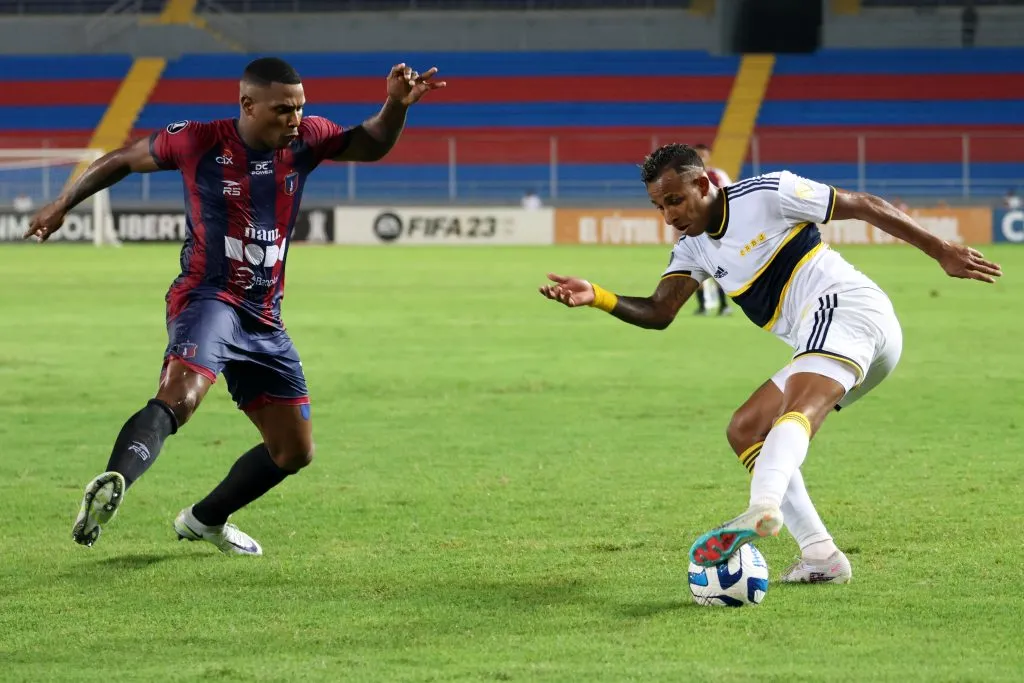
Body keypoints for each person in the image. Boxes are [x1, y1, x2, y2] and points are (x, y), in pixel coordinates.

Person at [25, 57, 445, 555]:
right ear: (248, 105)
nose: (295, 119)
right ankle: (113, 482)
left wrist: (396, 105)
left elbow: (370, 143)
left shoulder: (308, 138)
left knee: (293, 451)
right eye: (283, 109)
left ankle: (204, 520)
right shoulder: (198, 140)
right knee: (181, 396)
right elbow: (122, 159)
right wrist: (62, 203)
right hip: (209, 298)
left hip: (264, 315)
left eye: (300, 108)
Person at [538, 143, 1001, 582]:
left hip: (846, 308)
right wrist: (598, 296)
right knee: (746, 428)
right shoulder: (693, 246)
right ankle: (820, 555)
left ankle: (762, 505)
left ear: (703, 184)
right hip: (835, 338)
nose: (669, 216)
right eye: (659, 207)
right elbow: (660, 311)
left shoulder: (767, 192)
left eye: (675, 200)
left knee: (796, 411)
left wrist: (942, 250)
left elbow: (863, 204)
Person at [692, 144, 732, 317]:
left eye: (703, 155)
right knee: (695, 266)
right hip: (694, 228)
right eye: (697, 155)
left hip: (715, 228)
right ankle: (702, 306)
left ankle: (723, 305)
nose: (701, 158)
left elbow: (730, 196)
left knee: (716, 266)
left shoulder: (717, 175)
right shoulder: (685, 178)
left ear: (708, 157)